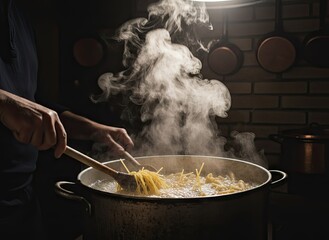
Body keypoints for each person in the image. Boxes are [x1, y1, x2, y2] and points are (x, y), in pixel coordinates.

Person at [0, 0, 134, 239]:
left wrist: (93, 130)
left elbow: (30, 102)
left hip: (22, 201)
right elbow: (14, 104)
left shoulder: (19, 12)